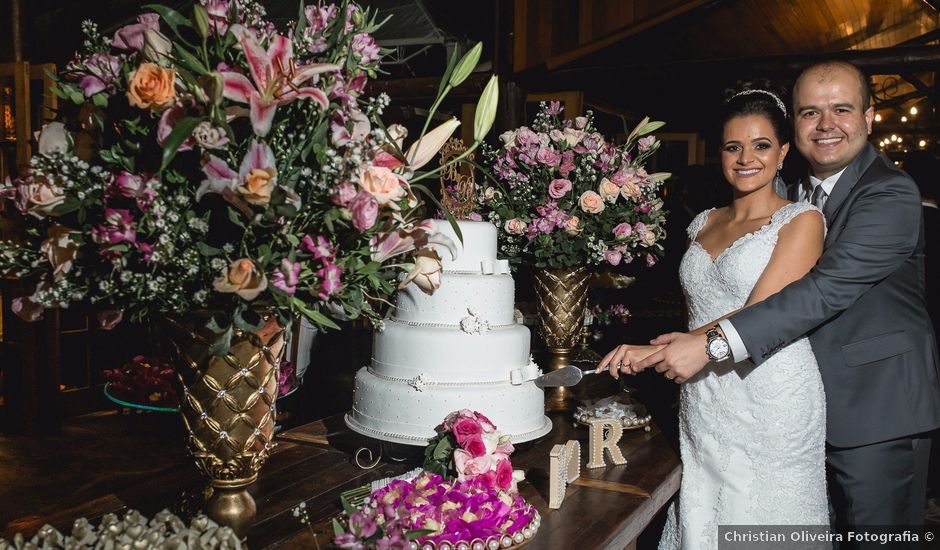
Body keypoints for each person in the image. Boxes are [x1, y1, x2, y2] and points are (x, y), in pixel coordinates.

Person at [631, 61, 940, 545]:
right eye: (810, 112)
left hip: (873, 408)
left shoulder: (890, 192)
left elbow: (823, 291)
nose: (826, 124)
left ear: (870, 116)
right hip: (783, 401)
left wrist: (708, 345)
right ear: (794, 125)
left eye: (842, 109)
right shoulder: (790, 193)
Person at [599, 89, 829, 548]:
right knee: (704, 507)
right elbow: (700, 306)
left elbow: (760, 312)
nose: (746, 158)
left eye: (761, 145)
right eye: (732, 146)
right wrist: (669, 350)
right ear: (719, 153)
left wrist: (659, 350)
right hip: (704, 392)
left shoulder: (802, 221)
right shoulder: (701, 222)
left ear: (783, 152)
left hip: (771, 391)